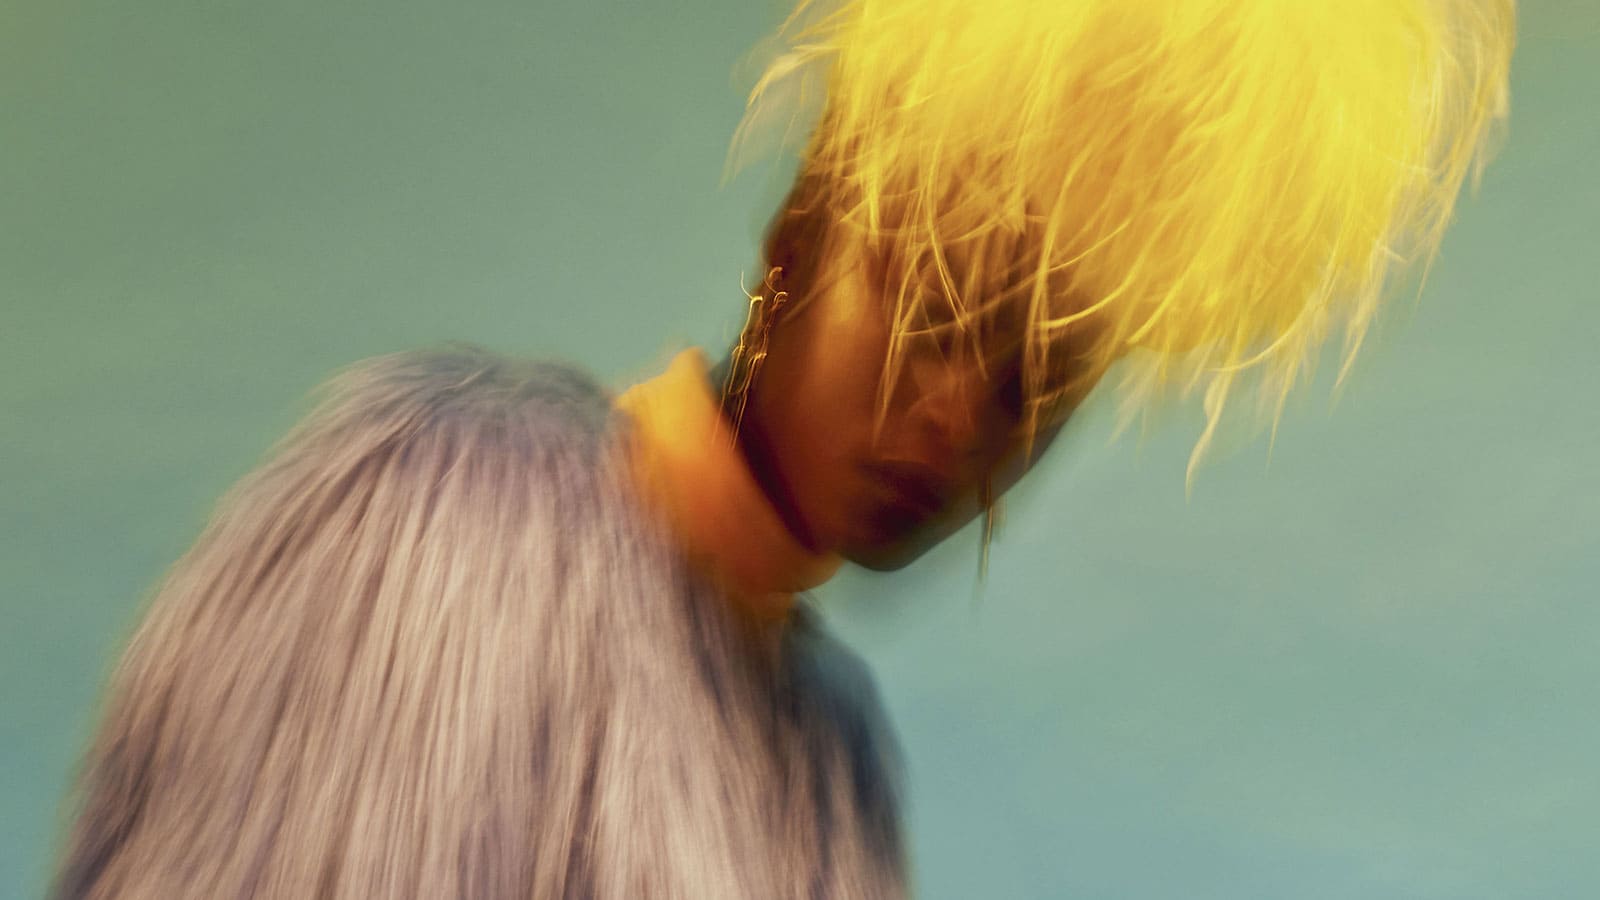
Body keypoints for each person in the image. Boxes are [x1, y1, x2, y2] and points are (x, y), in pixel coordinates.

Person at [52, 1, 1515, 897]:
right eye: (934, 309)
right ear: (794, 249)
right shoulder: (449, 513)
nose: (957, 416)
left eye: (1035, 385)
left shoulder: (829, 759)